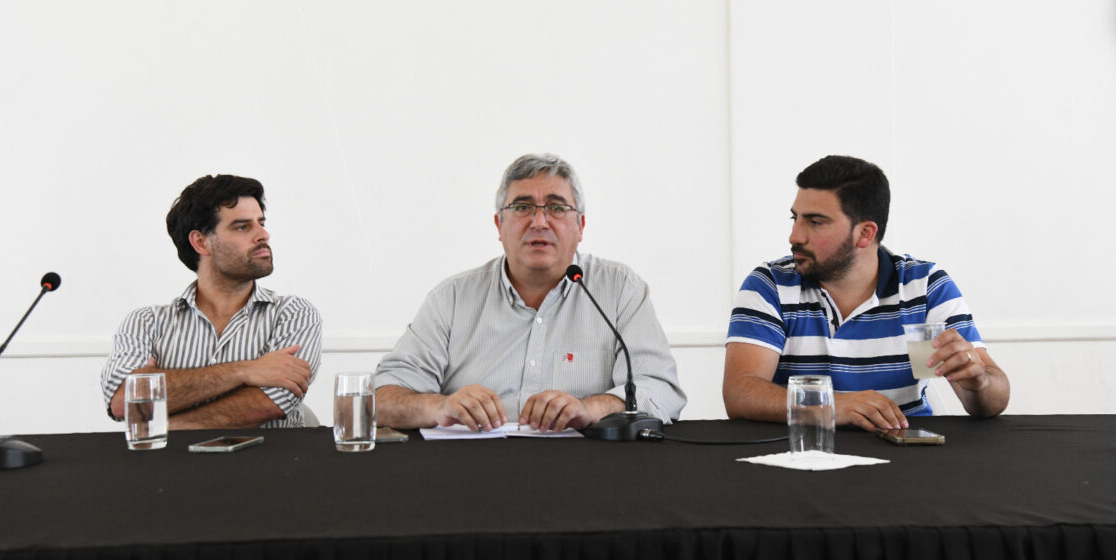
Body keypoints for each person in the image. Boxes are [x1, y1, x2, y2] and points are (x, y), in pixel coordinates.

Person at [375, 153, 686, 432]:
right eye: (522, 207)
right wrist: (439, 406)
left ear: (581, 226)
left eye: (557, 207)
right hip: (472, 470)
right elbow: (381, 397)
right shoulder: (452, 299)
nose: (539, 222)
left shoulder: (620, 290)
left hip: (588, 472)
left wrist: (590, 408)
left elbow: (661, 390)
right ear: (499, 225)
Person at [723, 155, 1009, 431]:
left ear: (865, 234)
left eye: (815, 222)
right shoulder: (771, 285)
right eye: (795, 218)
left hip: (907, 461)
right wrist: (835, 406)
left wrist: (979, 383)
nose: (795, 236)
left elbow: (988, 401)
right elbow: (740, 393)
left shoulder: (921, 287)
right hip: (803, 454)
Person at [101, 175, 322, 429]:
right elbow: (122, 401)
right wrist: (245, 371)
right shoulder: (146, 322)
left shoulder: (293, 313)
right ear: (200, 242)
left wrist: (165, 420)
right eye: (242, 226)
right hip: (171, 468)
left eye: (261, 223)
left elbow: (268, 403)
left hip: (267, 466)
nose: (263, 234)